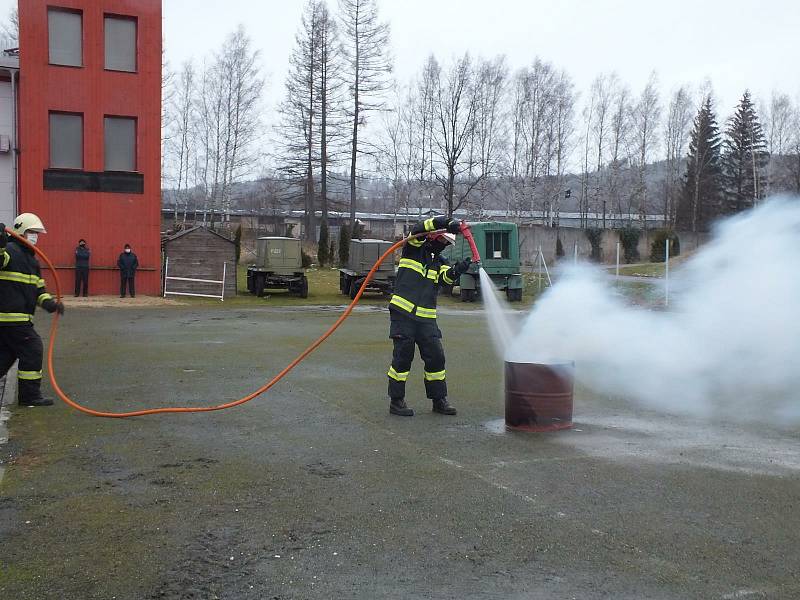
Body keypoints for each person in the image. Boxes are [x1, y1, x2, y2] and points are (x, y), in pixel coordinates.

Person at [386, 215, 472, 417]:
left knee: (436, 358)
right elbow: (418, 228)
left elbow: (445, 278)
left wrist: (458, 270)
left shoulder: (439, 261)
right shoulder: (413, 248)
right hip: (403, 313)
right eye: (442, 240)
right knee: (402, 358)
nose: (444, 244)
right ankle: (396, 401)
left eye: (447, 243)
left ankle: (439, 400)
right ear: (434, 237)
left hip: (426, 318)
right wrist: (445, 222)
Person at [0, 214, 65, 407]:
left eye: (37, 233)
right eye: (31, 232)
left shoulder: (32, 262)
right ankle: (29, 396)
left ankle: (29, 395)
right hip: (12, 320)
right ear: (20, 231)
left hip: (16, 322)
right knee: (32, 349)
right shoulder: (10, 251)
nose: (35, 236)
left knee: (6, 356)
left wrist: (51, 305)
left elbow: (39, 291)